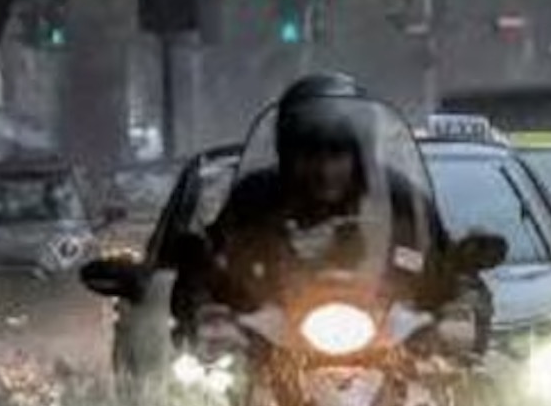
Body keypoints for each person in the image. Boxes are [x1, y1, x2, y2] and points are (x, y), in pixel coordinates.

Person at [173, 73, 485, 344]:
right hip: (274, 356)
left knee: (456, 391)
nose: (324, 170)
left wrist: (459, 310)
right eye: (309, 155)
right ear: (287, 154)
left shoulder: (400, 201)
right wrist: (209, 311)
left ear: (359, 154)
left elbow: (447, 268)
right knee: (214, 395)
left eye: (337, 154)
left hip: (387, 354)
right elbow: (210, 268)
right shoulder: (254, 201)